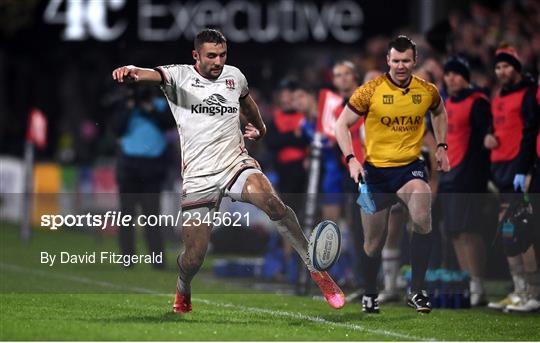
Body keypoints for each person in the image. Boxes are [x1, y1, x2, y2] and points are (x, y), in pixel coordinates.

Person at [111, 28, 345, 313]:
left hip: (235, 164)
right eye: (211, 56)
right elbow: (152, 75)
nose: (218, 61)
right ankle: (183, 285)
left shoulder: (235, 76)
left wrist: (260, 127)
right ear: (196, 55)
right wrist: (132, 70)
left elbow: (247, 101)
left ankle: (316, 269)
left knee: (272, 203)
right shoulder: (180, 76)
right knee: (194, 258)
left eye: (222, 55)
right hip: (199, 176)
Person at [335, 35, 450, 314]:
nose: (401, 65)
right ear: (388, 61)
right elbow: (341, 125)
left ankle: (417, 290)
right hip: (375, 173)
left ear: (414, 61)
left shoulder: (427, 90)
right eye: (396, 60)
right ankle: (370, 291)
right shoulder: (369, 91)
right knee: (373, 243)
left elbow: (439, 112)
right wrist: (351, 160)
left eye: (406, 60)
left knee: (423, 213)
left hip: (410, 167)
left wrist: (442, 146)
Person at [484, 45, 540, 312]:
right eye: (497, 67)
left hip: (521, 170)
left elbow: (530, 133)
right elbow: (497, 127)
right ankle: (519, 290)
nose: (501, 71)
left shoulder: (529, 94)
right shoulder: (498, 96)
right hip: (502, 171)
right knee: (508, 231)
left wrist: (526, 169)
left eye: (506, 65)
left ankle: (533, 292)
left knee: (523, 230)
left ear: (516, 67)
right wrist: (489, 136)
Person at [440, 55, 492, 306]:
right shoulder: (446, 102)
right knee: (455, 232)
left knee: (469, 229)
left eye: (457, 73)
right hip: (450, 174)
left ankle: (478, 284)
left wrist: (480, 174)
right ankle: (469, 282)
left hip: (469, 174)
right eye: (448, 73)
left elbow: (485, 141)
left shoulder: (478, 102)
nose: (451, 78)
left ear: (466, 77)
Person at [110, 87, 175, 269]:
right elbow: (116, 128)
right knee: (126, 216)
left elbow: (168, 124)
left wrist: (150, 109)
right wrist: (130, 107)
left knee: (152, 216)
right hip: (128, 166)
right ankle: (127, 259)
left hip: (153, 168)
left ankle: (157, 260)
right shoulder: (125, 106)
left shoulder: (161, 105)